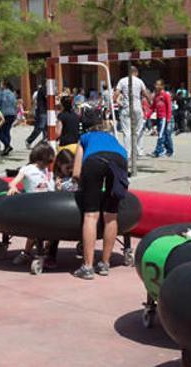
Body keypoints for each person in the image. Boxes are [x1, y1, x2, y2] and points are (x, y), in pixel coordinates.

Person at [71, 108, 129, 280]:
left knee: (91, 215)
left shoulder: (84, 138)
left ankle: (87, 266)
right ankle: (105, 263)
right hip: (119, 161)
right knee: (111, 215)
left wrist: (82, 186)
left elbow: (76, 172)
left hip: (94, 161)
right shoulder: (112, 138)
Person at [8, 142, 56, 266]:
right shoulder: (27, 169)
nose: (48, 164)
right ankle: (27, 253)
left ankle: (45, 252)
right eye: (47, 161)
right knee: (33, 233)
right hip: (33, 205)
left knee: (51, 233)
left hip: (47, 204)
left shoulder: (46, 171)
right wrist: (13, 187)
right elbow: (13, 182)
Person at [113, 66, 151, 158]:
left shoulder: (122, 81)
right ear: (136, 72)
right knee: (139, 130)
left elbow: (116, 94)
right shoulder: (139, 81)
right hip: (137, 107)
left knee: (127, 132)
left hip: (126, 107)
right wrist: (150, 102)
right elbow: (145, 93)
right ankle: (139, 151)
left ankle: (128, 152)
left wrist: (115, 101)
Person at [151, 79, 174, 158]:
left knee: (161, 134)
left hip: (164, 118)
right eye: (156, 84)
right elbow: (153, 106)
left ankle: (158, 150)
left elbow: (169, 107)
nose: (156, 86)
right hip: (158, 117)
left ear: (162, 86)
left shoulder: (166, 95)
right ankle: (169, 150)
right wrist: (148, 114)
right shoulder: (156, 95)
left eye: (158, 84)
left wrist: (168, 118)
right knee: (165, 134)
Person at [0, 82, 18, 156]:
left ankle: (7, 145)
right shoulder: (13, 94)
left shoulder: (1, 93)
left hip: (4, 114)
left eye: (2, 84)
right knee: (7, 131)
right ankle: (7, 149)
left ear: (5, 86)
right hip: (12, 114)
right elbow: (15, 104)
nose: (1, 86)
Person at [26, 82, 47, 148]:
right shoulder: (44, 89)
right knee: (40, 127)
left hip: (46, 111)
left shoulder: (45, 89)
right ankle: (29, 140)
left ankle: (45, 143)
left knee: (46, 129)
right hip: (42, 111)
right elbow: (47, 98)